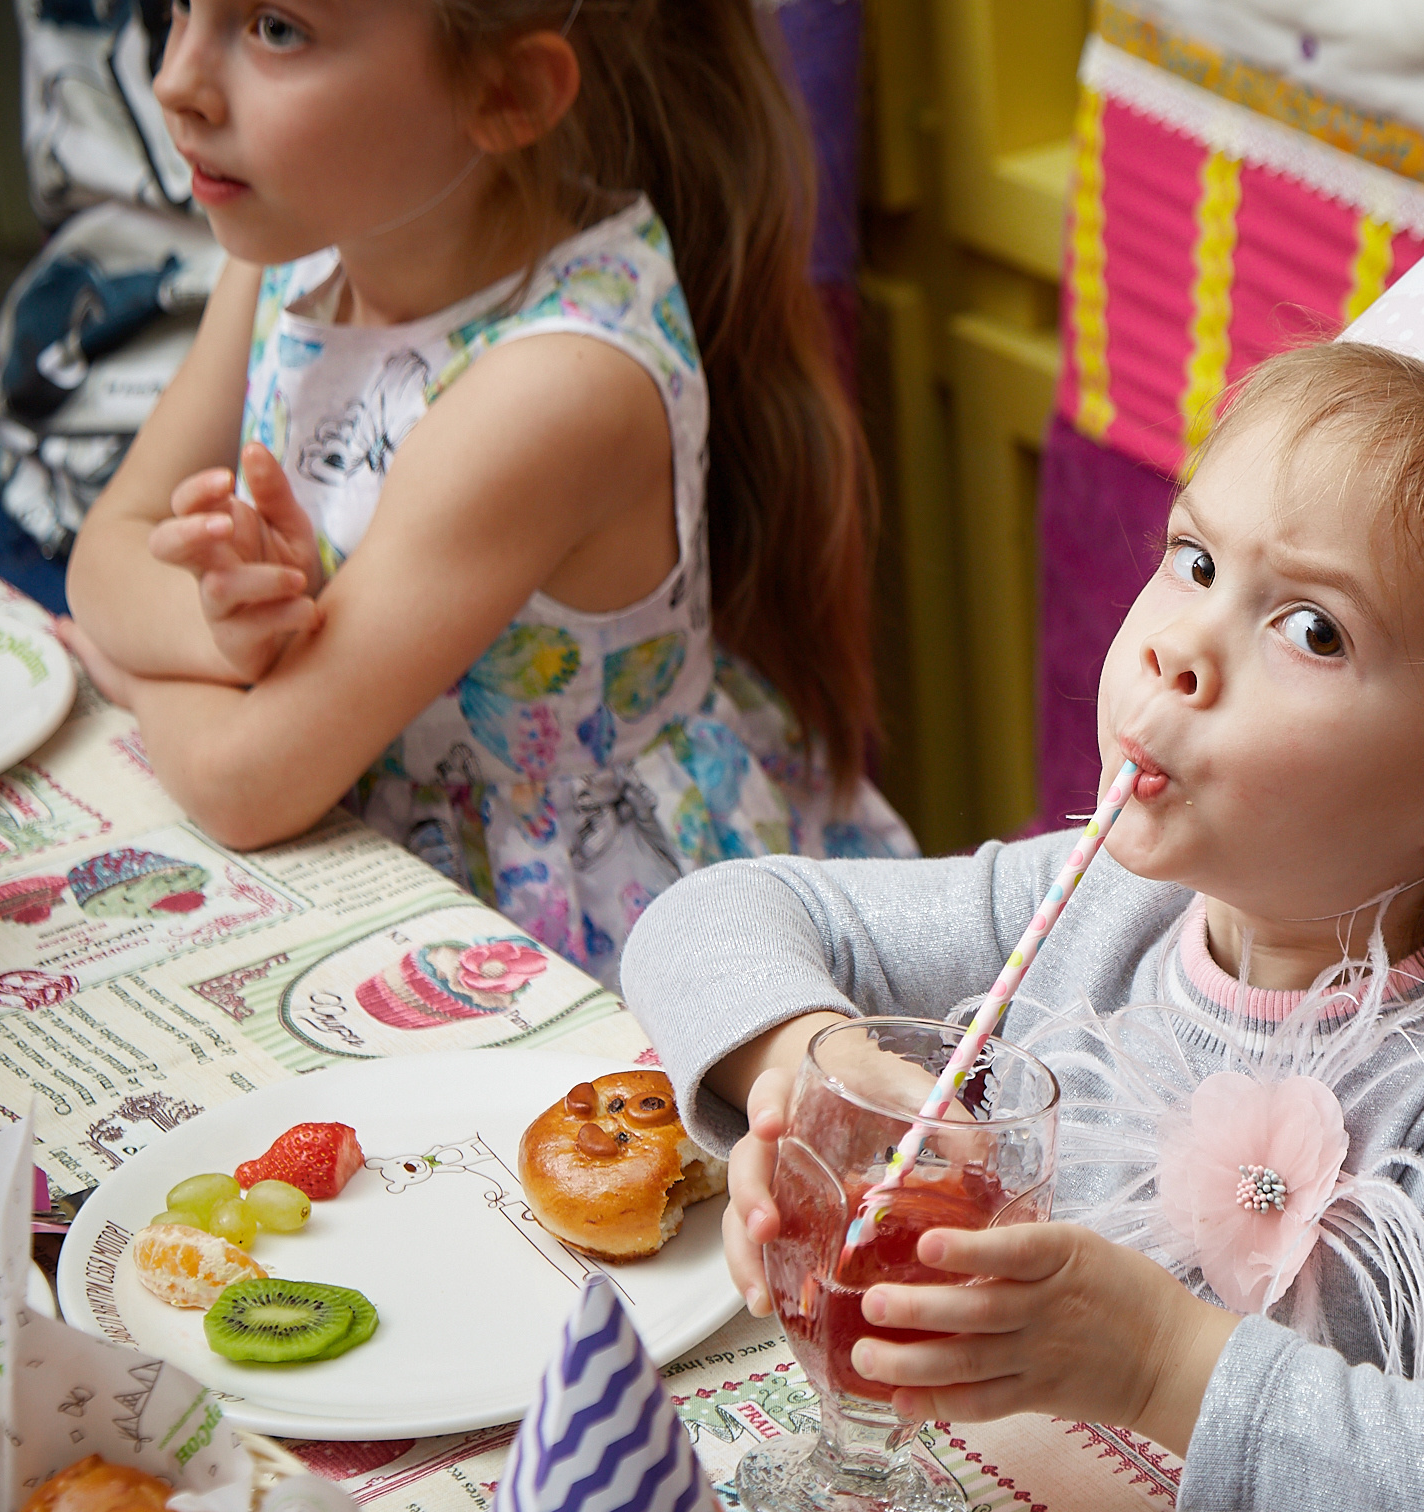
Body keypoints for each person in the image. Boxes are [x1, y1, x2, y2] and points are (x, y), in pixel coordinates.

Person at [622, 337, 1424, 1512]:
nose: (1180, 650)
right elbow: (711, 912)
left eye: (1313, 627)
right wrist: (807, 1072)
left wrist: (1159, 1363)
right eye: (1194, 561)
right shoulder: (1097, 907)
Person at [54, 0, 912, 986]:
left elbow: (246, 781)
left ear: (507, 93)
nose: (175, 82)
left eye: (275, 29)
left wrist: (141, 673)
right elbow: (104, 550)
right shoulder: (293, 261)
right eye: (180, 9)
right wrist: (232, 638)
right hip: (356, 863)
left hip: (573, 947)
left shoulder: (551, 388)